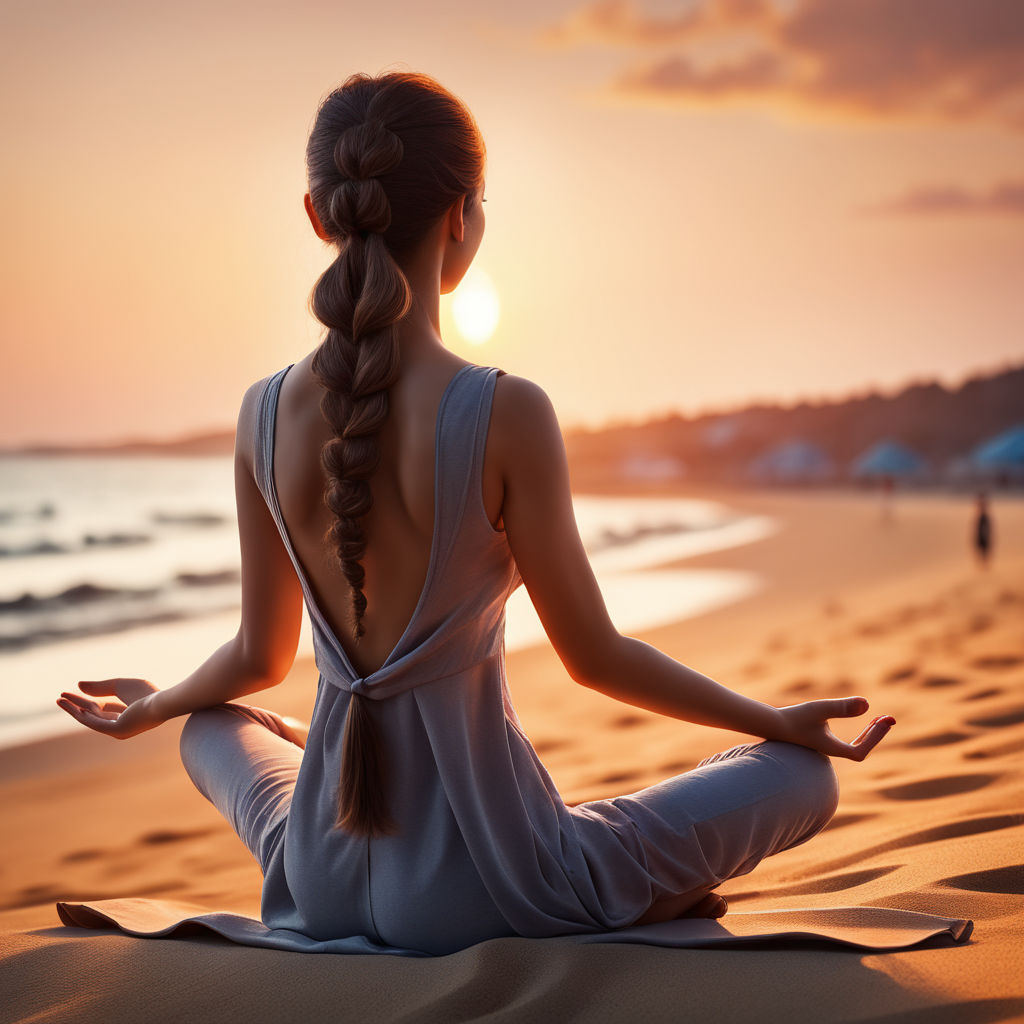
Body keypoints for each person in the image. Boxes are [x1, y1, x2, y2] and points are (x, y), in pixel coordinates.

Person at [54, 71, 895, 955]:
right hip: (495, 886)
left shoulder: (260, 413)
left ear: (317, 216)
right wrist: (773, 721)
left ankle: (321, 773)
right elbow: (597, 658)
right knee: (802, 780)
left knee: (211, 724)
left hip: (317, 878)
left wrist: (155, 707)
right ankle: (627, 892)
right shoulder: (505, 410)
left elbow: (257, 657)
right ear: (461, 216)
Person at [974, 491, 993, 568]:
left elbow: (986, 526)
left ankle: (984, 563)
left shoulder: (984, 516)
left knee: (984, 546)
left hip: (983, 530)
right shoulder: (982, 515)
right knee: (981, 546)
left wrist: (985, 533)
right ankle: (983, 563)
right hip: (981, 528)